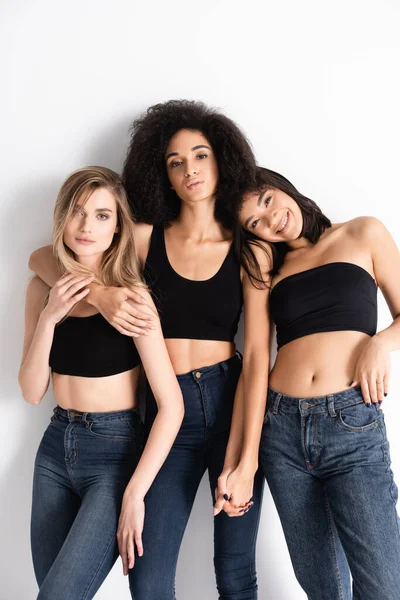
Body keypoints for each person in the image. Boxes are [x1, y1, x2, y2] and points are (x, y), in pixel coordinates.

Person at [29, 101, 270, 600]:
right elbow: (44, 257)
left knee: (235, 568)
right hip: (163, 408)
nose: (190, 170)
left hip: (229, 399)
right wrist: (97, 294)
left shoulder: (250, 248)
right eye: (175, 161)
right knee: (148, 575)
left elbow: (260, 354)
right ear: (161, 172)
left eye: (200, 155)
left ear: (222, 159)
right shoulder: (142, 237)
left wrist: (246, 459)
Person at [227, 166, 400, 600]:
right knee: (325, 590)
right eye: (255, 222)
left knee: (383, 586)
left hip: (351, 426)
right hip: (281, 432)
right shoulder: (269, 268)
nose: (271, 219)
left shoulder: (363, 233)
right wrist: (246, 461)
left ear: (281, 186)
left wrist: (380, 344)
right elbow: (255, 361)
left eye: (267, 200)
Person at [19, 166, 184, 600]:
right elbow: (32, 390)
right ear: (62, 218)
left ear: (117, 228)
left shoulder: (132, 298)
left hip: (112, 455)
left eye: (102, 215)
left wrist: (135, 493)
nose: (87, 225)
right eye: (77, 212)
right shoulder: (40, 289)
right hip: (55, 449)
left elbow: (172, 405)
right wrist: (51, 316)